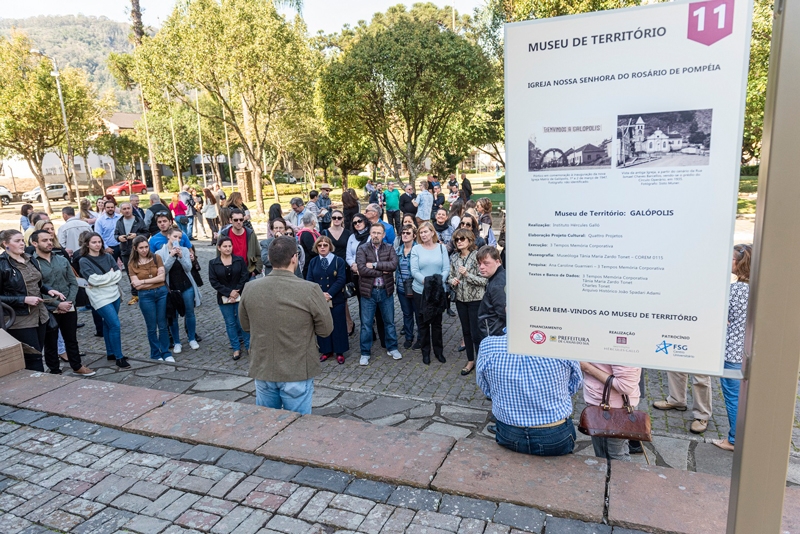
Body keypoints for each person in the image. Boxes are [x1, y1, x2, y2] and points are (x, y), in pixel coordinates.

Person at [240, 236, 333, 414]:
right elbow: (326, 329)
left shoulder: (250, 288)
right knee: (297, 427)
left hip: (263, 368)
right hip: (296, 370)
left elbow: (245, 325)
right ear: (294, 258)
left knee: (267, 425)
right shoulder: (310, 289)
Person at [478, 331, 582, 456]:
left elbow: (485, 388)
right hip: (555, 432)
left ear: (507, 311)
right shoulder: (563, 346)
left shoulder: (488, 346)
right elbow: (575, 384)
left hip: (509, 431)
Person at [0, 230, 65, 371]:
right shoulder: (2, 265)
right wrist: (23, 299)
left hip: (40, 314)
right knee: (33, 357)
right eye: (17, 241)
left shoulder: (30, 258)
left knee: (38, 351)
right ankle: (37, 387)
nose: (22, 243)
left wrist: (48, 290)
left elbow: (37, 283)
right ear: (5, 244)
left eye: (22, 240)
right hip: (19, 318)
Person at [30, 230, 93, 376]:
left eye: (50, 239)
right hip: (48, 308)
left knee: (71, 338)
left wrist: (69, 302)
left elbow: (73, 282)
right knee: (50, 342)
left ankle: (76, 365)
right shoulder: (32, 264)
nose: (49, 242)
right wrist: (57, 305)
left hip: (68, 306)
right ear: (35, 243)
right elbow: (36, 288)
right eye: (44, 240)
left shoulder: (62, 259)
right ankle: (55, 370)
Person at [713, 243, 752, 452]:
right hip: (747, 349)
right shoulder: (757, 289)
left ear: (739, 263)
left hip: (732, 351)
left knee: (733, 397)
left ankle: (734, 440)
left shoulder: (736, 290)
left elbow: (721, 314)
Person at [79, 232, 128, 369]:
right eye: (94, 242)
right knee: (115, 325)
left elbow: (118, 275)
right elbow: (92, 280)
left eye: (99, 242)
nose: (97, 244)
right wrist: (110, 276)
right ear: (87, 244)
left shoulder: (108, 256)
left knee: (108, 324)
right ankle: (119, 357)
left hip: (114, 294)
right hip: (99, 297)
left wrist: (105, 279)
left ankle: (111, 353)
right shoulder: (84, 260)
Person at [356, 223, 401, 366]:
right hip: (368, 292)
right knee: (366, 324)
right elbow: (362, 270)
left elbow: (393, 265)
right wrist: (382, 270)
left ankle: (392, 347)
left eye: (379, 233)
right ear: (370, 233)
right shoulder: (362, 248)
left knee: (389, 322)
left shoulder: (389, 248)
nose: (376, 235)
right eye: (373, 232)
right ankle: (365, 352)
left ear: (383, 235)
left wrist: (374, 265)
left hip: (385, 290)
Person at [581, 361, 642, 461]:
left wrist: (587, 367)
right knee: (618, 454)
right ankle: (624, 475)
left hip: (611, 411)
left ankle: (618, 476)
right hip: (614, 407)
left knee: (610, 459)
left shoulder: (620, 348)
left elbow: (625, 386)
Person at [448, 228, 487, 375]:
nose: (459, 242)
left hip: (476, 300)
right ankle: (470, 360)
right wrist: (453, 281)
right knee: (466, 331)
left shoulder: (477, 257)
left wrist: (467, 275)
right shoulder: (454, 257)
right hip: (460, 300)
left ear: (470, 240)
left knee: (477, 333)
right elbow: (449, 277)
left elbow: (484, 280)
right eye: (457, 239)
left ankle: (482, 361)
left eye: (462, 239)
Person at [156, 228, 202, 354]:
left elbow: (188, 268)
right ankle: (177, 342)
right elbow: (163, 270)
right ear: (169, 237)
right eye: (175, 236)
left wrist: (181, 257)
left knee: (190, 313)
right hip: (172, 289)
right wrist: (171, 256)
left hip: (186, 286)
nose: (178, 239)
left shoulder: (185, 250)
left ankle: (192, 338)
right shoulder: (160, 253)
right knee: (173, 316)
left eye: (180, 237)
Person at [410, 222, 450, 364]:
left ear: (432, 232)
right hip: (421, 291)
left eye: (426, 232)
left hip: (438, 291)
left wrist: (438, 283)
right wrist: (427, 283)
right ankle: (425, 352)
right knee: (423, 323)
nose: (423, 235)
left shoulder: (441, 248)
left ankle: (439, 352)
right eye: (421, 232)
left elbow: (446, 268)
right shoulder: (416, 249)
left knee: (437, 324)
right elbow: (414, 271)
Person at [128, 236, 172, 362]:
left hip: (161, 293)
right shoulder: (132, 264)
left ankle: (165, 352)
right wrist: (151, 281)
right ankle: (155, 353)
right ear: (135, 248)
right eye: (141, 248)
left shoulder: (156, 258)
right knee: (151, 326)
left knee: (163, 325)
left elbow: (161, 278)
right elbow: (136, 285)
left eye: (146, 247)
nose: (144, 250)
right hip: (145, 296)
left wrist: (143, 281)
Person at [306, 236, 349, 364]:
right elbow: (309, 280)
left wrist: (329, 294)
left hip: (336, 299)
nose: (323, 247)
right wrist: (320, 294)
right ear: (316, 247)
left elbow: (341, 279)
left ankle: (339, 351)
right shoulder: (313, 262)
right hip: (320, 300)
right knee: (322, 324)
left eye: (325, 245)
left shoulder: (338, 261)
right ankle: (326, 350)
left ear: (330, 246)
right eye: (320, 245)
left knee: (338, 325)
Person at [209, 236, 251, 360]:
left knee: (242, 321)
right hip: (224, 297)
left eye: (230, 246)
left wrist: (236, 291)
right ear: (219, 248)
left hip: (240, 295)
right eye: (225, 246)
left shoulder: (239, 260)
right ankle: (236, 348)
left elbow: (244, 276)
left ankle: (249, 346)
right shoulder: (213, 263)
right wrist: (229, 293)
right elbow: (214, 281)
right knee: (230, 323)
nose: (228, 249)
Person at [323, 210, 354, 335]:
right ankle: (334, 323)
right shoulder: (325, 232)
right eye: (334, 217)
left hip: (344, 268)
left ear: (342, 219)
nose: (336, 220)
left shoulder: (348, 233)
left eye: (339, 218)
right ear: (331, 218)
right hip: (329, 268)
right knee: (330, 296)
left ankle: (348, 321)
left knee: (343, 296)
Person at [115, 202, 149, 305]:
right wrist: (118, 238)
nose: (126, 210)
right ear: (121, 211)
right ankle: (135, 295)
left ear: (131, 209)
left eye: (128, 208)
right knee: (131, 274)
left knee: (142, 271)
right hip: (125, 251)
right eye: (124, 209)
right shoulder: (119, 222)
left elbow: (146, 233)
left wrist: (137, 235)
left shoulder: (138, 220)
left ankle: (145, 292)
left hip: (139, 251)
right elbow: (115, 234)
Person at [219, 209, 262, 277]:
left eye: (241, 219)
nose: (238, 222)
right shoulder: (224, 234)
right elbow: (218, 255)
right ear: (230, 220)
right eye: (236, 220)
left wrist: (256, 271)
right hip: (230, 274)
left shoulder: (250, 234)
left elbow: (258, 254)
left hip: (248, 272)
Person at [395, 224, 418, 349]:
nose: (404, 235)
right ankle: (409, 337)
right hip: (401, 287)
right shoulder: (398, 250)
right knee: (407, 314)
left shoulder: (418, 250)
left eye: (408, 233)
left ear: (414, 235)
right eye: (403, 232)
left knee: (419, 314)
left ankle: (420, 338)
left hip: (416, 287)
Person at [477, 245, 506, 341]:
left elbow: (504, 313)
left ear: (497, 262)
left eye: (486, 263)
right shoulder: (498, 277)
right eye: (479, 263)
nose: (481, 267)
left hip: (495, 335)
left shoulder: (497, 285)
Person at [92, 198, 122, 264]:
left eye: (112, 207)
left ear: (114, 208)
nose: (110, 209)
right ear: (104, 208)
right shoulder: (100, 221)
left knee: (128, 266)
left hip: (121, 246)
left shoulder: (120, 218)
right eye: (108, 207)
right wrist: (105, 247)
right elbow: (98, 235)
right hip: (109, 248)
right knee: (111, 269)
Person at [297, 212, 321, 279]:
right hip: (309, 264)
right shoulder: (306, 234)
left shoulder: (313, 232)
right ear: (313, 222)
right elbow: (312, 250)